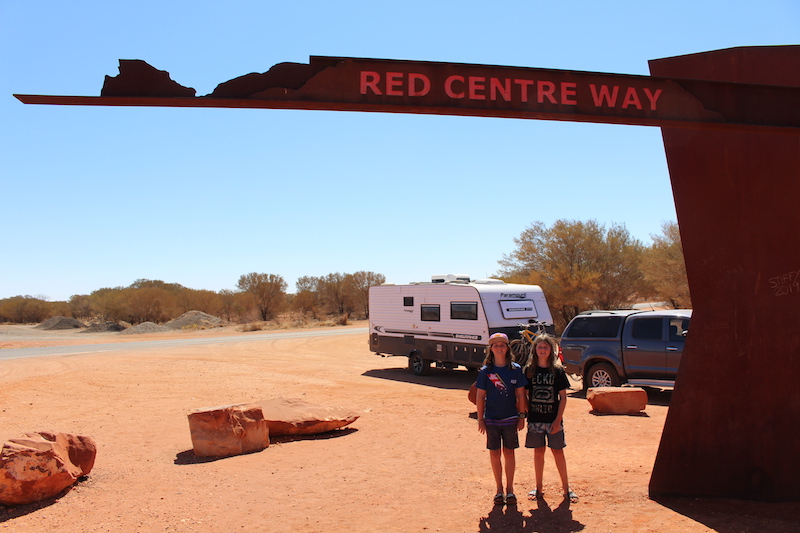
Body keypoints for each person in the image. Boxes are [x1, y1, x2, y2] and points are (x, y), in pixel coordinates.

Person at [524, 334, 578, 504]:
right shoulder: (529, 370)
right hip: (535, 420)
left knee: (558, 452)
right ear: (535, 350)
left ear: (551, 350)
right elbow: (523, 393)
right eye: (539, 347)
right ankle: (538, 488)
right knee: (538, 452)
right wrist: (526, 412)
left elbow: (563, 397)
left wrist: (558, 419)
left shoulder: (557, 371)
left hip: (553, 419)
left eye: (546, 347)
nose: (542, 350)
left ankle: (566, 488)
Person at [475, 332, 528, 505]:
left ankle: (510, 490)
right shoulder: (486, 371)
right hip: (491, 418)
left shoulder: (516, 370)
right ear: (491, 349)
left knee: (509, 452)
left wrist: (522, 416)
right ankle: (499, 489)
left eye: (502, 345)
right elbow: (480, 396)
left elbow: (521, 395)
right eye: (495, 345)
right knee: (495, 453)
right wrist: (480, 419)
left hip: (510, 417)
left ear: (507, 348)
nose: (499, 348)